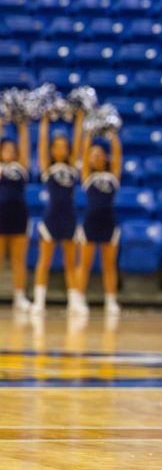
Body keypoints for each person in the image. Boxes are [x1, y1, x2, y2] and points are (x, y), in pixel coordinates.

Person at [33, 109, 83, 316]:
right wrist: (44, 120)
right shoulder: (47, 168)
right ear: (52, 150)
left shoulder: (73, 167)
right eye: (57, 146)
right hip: (51, 217)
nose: (60, 149)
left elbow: (79, 143)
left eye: (64, 146)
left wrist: (79, 118)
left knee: (70, 262)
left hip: (69, 217)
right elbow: (42, 145)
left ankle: (74, 301)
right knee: (44, 260)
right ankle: (38, 301)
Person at [76, 129, 123, 317]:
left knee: (109, 265)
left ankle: (111, 300)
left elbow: (118, 154)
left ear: (105, 157)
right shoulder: (87, 176)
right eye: (92, 155)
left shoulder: (113, 176)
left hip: (109, 223)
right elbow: (84, 150)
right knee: (84, 264)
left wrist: (111, 133)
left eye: (99, 154)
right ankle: (79, 299)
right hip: (90, 223)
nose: (95, 157)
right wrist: (88, 133)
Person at [0, 118, 31, 312]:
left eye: (13, 149)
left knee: (19, 259)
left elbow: (26, 144)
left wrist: (22, 123)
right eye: (6, 149)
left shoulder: (22, 168)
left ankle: (19, 297)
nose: (10, 152)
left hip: (18, 216)